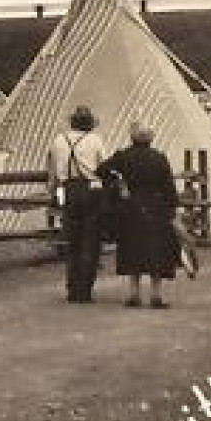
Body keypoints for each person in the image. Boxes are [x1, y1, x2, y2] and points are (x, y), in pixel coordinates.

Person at [98, 123, 181, 308]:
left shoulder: (123, 156)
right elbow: (168, 186)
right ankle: (156, 295)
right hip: (155, 208)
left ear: (132, 138)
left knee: (132, 248)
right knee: (156, 251)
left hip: (131, 207)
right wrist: (173, 209)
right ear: (151, 139)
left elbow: (101, 170)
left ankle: (134, 294)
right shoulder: (159, 158)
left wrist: (119, 184)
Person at [47, 105, 109, 303]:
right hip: (90, 190)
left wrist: (54, 191)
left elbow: (53, 170)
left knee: (72, 240)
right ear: (89, 123)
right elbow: (103, 167)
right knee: (90, 240)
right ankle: (85, 290)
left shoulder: (59, 140)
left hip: (67, 190)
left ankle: (72, 289)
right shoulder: (95, 140)